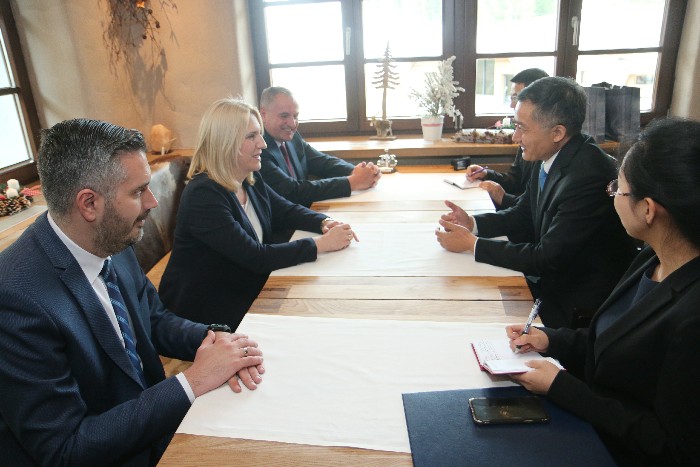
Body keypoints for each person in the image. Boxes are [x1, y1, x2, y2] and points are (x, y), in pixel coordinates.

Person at [0, 119, 264, 465]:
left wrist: (215, 339)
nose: (152, 202)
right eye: (139, 191)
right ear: (89, 204)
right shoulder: (15, 298)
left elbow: (153, 319)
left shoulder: (110, 237)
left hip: (150, 428)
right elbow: (65, 448)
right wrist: (193, 381)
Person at [507, 117, 700, 465]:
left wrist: (564, 388)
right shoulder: (652, 257)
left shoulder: (692, 316)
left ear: (648, 209)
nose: (613, 196)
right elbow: (617, 343)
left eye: (618, 189)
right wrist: (552, 340)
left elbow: (670, 447)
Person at [436, 77, 637, 328]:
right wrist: (472, 224)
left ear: (557, 132)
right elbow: (524, 213)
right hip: (553, 280)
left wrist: (473, 244)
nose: (515, 137)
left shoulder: (588, 175)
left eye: (522, 128)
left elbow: (547, 258)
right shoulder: (551, 154)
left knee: (471, 311)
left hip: (577, 302)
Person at [159, 98, 356, 331]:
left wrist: (325, 222)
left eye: (260, 135)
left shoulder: (248, 178)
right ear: (225, 142)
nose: (262, 144)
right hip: (205, 311)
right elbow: (255, 257)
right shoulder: (203, 195)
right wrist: (321, 244)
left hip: (241, 287)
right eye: (252, 136)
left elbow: (286, 210)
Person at [259, 86, 381, 207]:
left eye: (295, 116)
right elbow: (293, 191)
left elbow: (323, 162)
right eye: (284, 116)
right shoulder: (259, 150)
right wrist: (353, 181)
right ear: (263, 115)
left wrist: (359, 172)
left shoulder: (292, 138)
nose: (292, 124)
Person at [466, 68, 549, 212]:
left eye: (516, 98)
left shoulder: (546, 143)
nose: (512, 105)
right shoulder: (523, 133)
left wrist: (503, 197)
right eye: (512, 98)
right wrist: (486, 174)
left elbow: (534, 210)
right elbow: (515, 180)